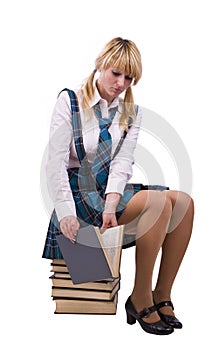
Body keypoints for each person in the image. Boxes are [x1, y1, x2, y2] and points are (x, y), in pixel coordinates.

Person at [42, 37, 194, 335]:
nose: (121, 83)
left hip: (107, 192)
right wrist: (66, 212)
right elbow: (55, 163)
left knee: (184, 203)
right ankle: (140, 298)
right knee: (157, 202)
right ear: (101, 65)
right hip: (77, 196)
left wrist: (112, 204)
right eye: (116, 73)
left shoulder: (130, 112)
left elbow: (122, 164)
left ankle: (162, 295)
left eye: (129, 77)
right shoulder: (70, 101)